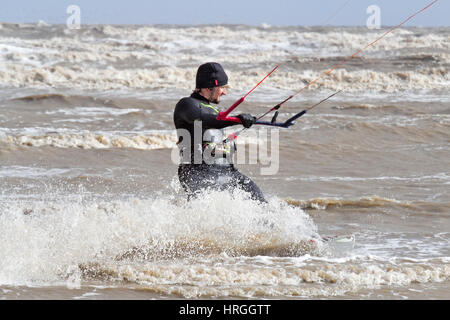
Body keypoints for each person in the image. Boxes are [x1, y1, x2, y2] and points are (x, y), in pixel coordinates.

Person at [173, 62, 266, 203]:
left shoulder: (214, 110)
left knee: (261, 204)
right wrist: (237, 120)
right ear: (210, 86)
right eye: (222, 87)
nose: (224, 92)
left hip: (228, 172)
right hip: (198, 173)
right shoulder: (186, 105)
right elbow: (205, 119)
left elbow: (215, 124)